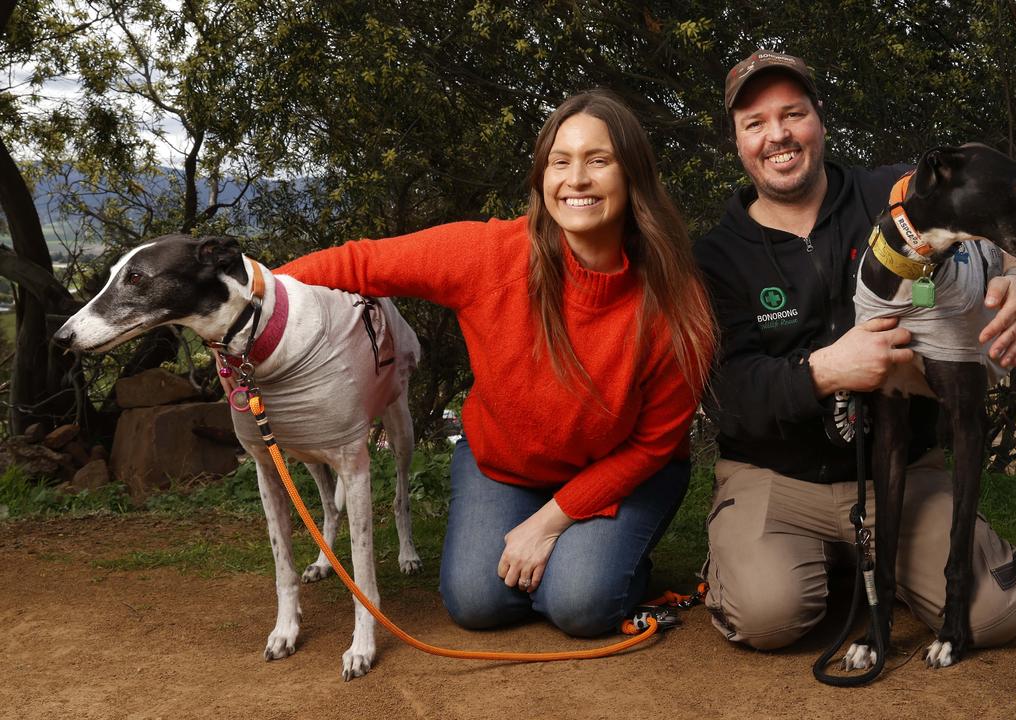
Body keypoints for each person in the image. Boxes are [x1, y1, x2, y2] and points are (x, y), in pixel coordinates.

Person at [278, 90, 716, 637]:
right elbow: (359, 262)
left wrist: (550, 523)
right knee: (476, 604)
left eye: (598, 161)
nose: (576, 179)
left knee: (581, 604)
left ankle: (600, 568)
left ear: (634, 178)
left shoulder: (677, 300)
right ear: (541, 177)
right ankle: (570, 562)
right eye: (560, 161)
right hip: (505, 466)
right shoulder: (491, 254)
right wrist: (255, 304)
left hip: (625, 469)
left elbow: (653, 444)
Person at [693, 50, 1016, 651]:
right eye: (755, 123)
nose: (778, 134)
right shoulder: (716, 255)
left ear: (819, 119)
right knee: (769, 616)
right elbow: (730, 395)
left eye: (793, 114)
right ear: (738, 141)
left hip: (901, 468)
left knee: (993, 616)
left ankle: (886, 559)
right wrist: (825, 370)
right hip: (777, 474)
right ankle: (789, 559)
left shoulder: (895, 192)